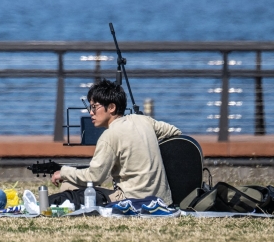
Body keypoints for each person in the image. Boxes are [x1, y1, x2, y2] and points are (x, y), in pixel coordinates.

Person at [52, 79, 181, 205]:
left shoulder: (109, 136)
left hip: (133, 200)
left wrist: (63, 172)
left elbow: (94, 177)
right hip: (164, 200)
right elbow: (175, 132)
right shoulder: (143, 120)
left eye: (94, 107)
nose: (91, 112)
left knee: (67, 186)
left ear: (112, 107)